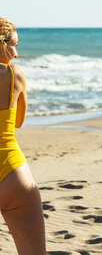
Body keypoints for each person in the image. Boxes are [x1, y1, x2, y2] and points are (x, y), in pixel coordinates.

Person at [0, 18, 46, 254]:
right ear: (1, 43)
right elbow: (18, 121)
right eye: (14, 45)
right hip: (11, 171)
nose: (16, 54)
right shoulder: (15, 74)